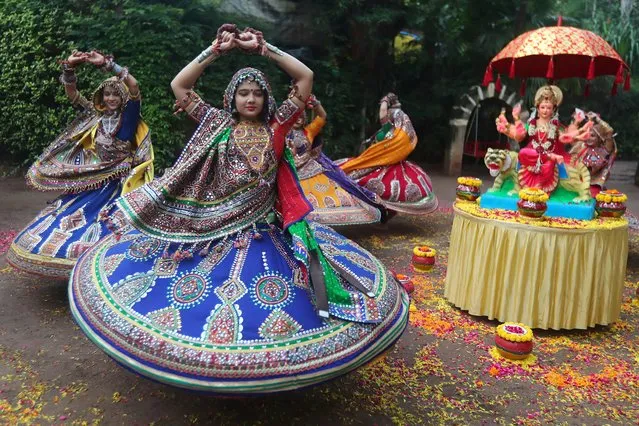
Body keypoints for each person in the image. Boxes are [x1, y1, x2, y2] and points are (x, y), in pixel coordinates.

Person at [68, 25, 409, 395]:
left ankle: (266, 373)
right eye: (243, 93)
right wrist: (215, 50)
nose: (250, 99)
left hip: (265, 231)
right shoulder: (218, 123)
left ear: (267, 99)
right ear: (232, 98)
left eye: (257, 94)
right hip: (214, 230)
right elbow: (179, 87)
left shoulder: (279, 126)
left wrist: (263, 49)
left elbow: (305, 77)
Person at [7, 50, 153, 278]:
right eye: (107, 94)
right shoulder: (96, 116)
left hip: (119, 183)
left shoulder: (129, 115)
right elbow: (72, 94)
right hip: (93, 179)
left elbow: (134, 88)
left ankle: (106, 271)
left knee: (111, 226)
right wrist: (69, 68)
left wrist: (108, 65)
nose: (111, 98)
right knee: (69, 218)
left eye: (116, 94)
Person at [287, 95, 385, 225]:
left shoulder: (309, 131)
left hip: (310, 169)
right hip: (290, 170)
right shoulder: (283, 132)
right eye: (295, 116)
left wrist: (316, 104)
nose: (298, 119)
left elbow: (322, 117)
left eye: (301, 116)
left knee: (335, 190)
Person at [339, 93, 438, 215]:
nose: (387, 115)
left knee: (386, 192)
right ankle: (378, 215)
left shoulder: (396, 135)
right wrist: (388, 101)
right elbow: (382, 114)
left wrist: (386, 100)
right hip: (373, 162)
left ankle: (383, 217)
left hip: (388, 166)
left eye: (392, 113)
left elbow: (383, 112)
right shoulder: (387, 128)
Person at [496, 85, 591, 193]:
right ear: (537, 108)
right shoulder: (531, 124)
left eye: (548, 108)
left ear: (553, 109)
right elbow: (519, 135)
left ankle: (538, 186)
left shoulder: (556, 126)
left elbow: (567, 136)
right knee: (522, 152)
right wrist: (507, 127)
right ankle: (547, 159)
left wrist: (579, 130)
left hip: (548, 158)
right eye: (542, 107)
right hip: (531, 155)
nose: (545, 111)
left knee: (549, 164)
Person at [570, 111, 617, 196]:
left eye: (592, 135)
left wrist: (598, 119)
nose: (588, 138)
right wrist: (576, 122)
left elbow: (609, 131)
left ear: (600, 138)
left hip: (592, 185)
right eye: (586, 135)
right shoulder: (581, 146)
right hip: (575, 183)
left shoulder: (604, 150)